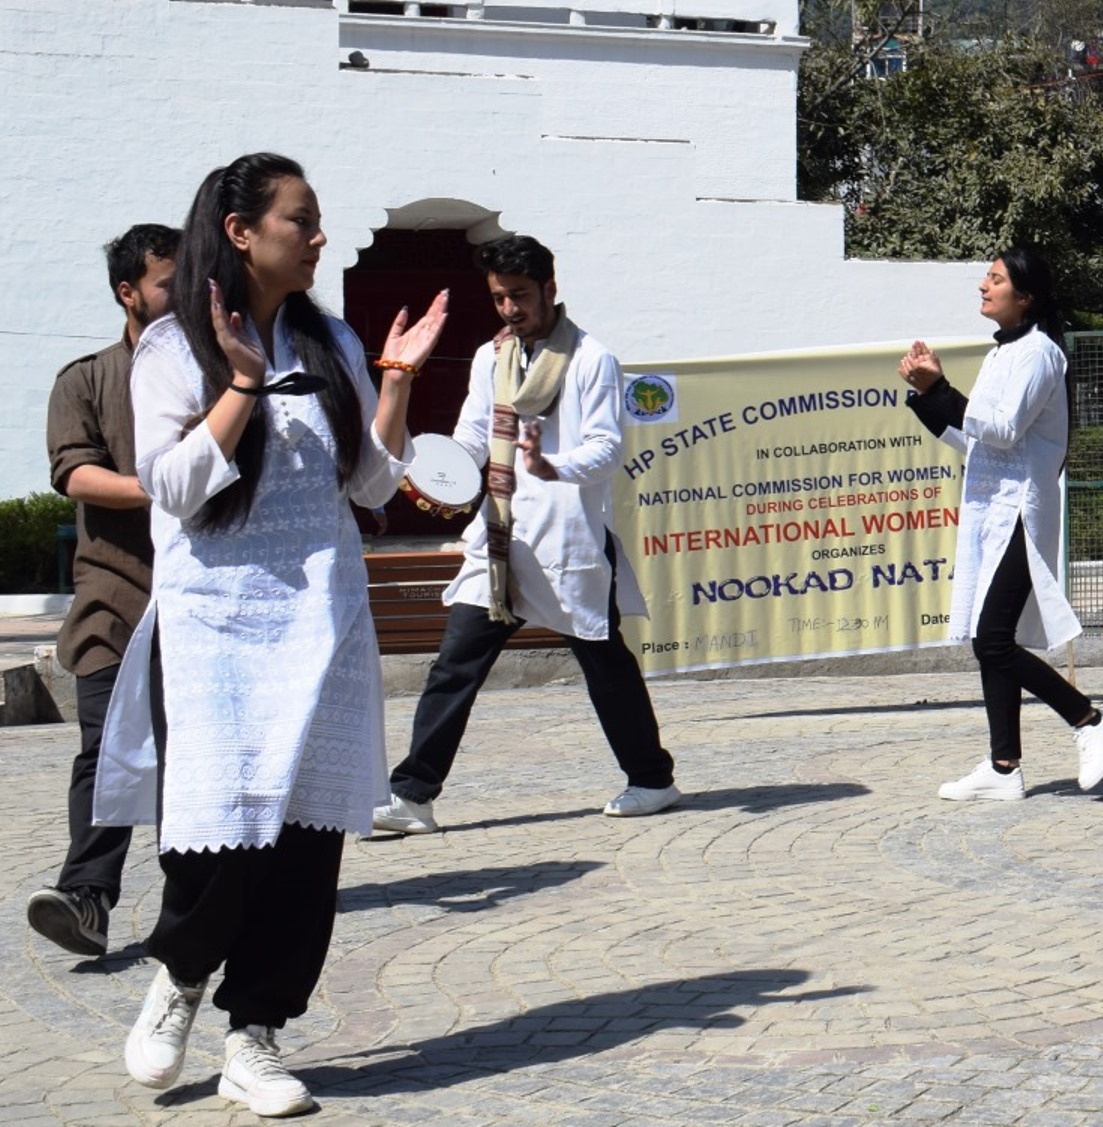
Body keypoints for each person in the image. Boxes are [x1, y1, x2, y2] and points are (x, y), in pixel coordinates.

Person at [97, 152, 448, 1114]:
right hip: (217, 628)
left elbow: (371, 485)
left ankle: (255, 1034)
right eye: (304, 219)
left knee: (305, 843)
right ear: (244, 230)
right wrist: (243, 384)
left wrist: (396, 379)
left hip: (322, 621)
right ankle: (178, 977)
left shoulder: (330, 337)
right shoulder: (174, 348)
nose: (320, 236)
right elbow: (169, 487)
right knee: (219, 831)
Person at [371, 235, 679, 834]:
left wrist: (552, 468)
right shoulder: (492, 359)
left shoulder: (592, 359)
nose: (509, 309)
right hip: (499, 536)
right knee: (454, 664)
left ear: (550, 290)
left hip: (569, 539)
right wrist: (438, 474)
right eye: (498, 298)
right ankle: (413, 797)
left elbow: (606, 448)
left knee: (605, 666)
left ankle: (652, 779)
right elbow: (471, 436)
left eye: (519, 296)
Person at [898, 248, 1103, 801]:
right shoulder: (1003, 354)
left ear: (1025, 296)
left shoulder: (1041, 355)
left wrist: (942, 391)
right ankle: (1004, 767)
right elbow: (977, 438)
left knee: (993, 641)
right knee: (988, 640)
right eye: (987, 277)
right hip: (988, 511)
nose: (983, 285)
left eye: (995, 279)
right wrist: (930, 401)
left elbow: (1000, 429)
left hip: (1021, 510)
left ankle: (1090, 721)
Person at [27, 223, 176, 959]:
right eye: (166, 285)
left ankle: (205, 895)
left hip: (204, 605)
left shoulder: (225, 375)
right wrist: (164, 484)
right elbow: (75, 473)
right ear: (128, 292)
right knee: (106, 749)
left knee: (198, 758)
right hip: (114, 601)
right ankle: (87, 896)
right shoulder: (84, 379)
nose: (183, 298)